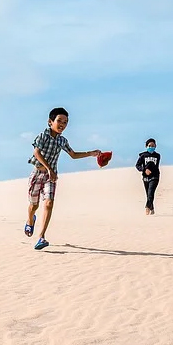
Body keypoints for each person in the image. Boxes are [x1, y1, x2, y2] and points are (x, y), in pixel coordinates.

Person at [24, 107, 101, 250]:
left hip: (50, 177)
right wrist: (49, 168)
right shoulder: (43, 136)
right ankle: (30, 220)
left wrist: (91, 153)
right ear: (50, 122)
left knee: (49, 203)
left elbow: (73, 154)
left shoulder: (62, 140)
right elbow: (36, 153)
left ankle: (41, 237)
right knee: (33, 206)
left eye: (65, 122)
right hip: (37, 174)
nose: (62, 124)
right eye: (59, 121)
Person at [136, 138, 161, 215]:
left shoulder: (157, 156)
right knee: (148, 194)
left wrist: (150, 170)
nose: (151, 147)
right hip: (145, 177)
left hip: (155, 176)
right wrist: (144, 170)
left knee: (151, 192)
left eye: (153, 145)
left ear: (155, 146)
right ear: (146, 146)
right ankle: (152, 209)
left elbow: (154, 166)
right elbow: (137, 165)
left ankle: (147, 207)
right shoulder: (143, 155)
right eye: (149, 146)